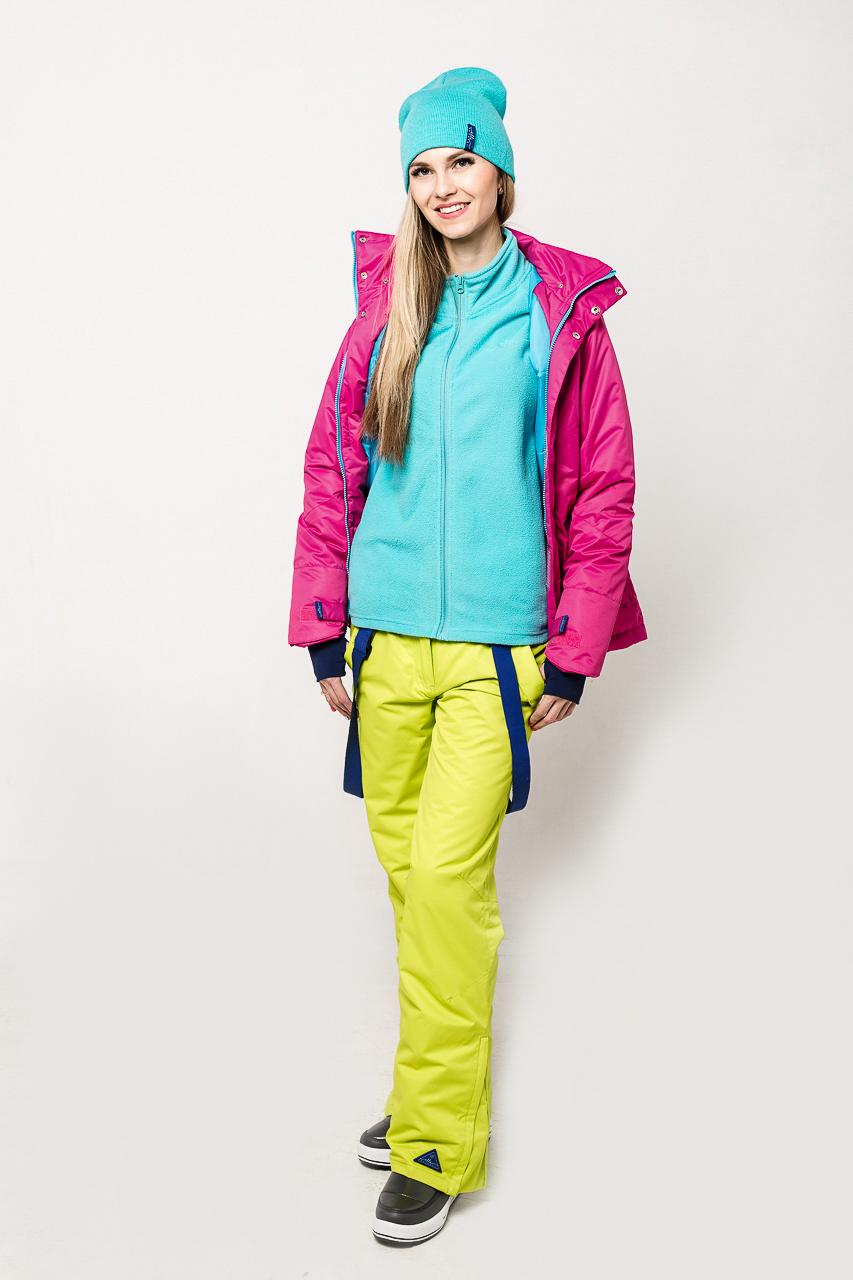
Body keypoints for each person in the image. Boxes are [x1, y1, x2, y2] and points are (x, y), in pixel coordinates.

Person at [289, 66, 646, 1246]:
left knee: (447, 883)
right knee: (412, 884)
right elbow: (334, 474)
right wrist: (326, 626)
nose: (443, 185)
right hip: (385, 646)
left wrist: (574, 650)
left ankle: (437, 1141)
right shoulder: (385, 312)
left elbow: (601, 489)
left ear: (499, 168)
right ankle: (421, 1096)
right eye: (422, 169)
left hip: (495, 652)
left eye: (461, 160)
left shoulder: (559, 318)